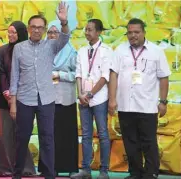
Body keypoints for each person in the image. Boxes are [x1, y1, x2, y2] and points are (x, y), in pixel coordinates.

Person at [9, 2, 70, 179]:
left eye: (40, 28)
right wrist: (13, 103)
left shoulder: (51, 45)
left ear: (44, 30)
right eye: (34, 27)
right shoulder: (19, 48)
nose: (37, 30)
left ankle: (49, 174)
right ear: (28, 28)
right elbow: (14, 77)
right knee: (22, 139)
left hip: (46, 99)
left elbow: (65, 38)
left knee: (47, 139)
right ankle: (17, 173)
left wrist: (64, 22)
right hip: (24, 99)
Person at [109, 18, 171, 179]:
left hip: (147, 105)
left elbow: (164, 77)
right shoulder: (120, 50)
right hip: (125, 105)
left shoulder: (156, 51)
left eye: (136, 32)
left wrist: (163, 102)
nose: (133, 35)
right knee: (130, 141)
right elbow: (113, 75)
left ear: (144, 33)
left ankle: (151, 173)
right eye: (129, 32)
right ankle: (135, 172)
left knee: (148, 141)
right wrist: (112, 100)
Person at [70, 19, 112, 179]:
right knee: (86, 134)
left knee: (103, 134)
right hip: (83, 99)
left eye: (90, 30)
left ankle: (104, 170)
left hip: (99, 98)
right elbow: (78, 74)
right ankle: (86, 169)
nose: (87, 32)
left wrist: (90, 94)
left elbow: (105, 77)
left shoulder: (107, 51)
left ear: (99, 32)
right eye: (86, 29)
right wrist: (80, 94)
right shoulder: (81, 50)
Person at [38, 20, 78, 176]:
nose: (52, 35)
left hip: (66, 98)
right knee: (48, 134)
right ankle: (48, 168)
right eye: (49, 32)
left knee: (66, 134)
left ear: (61, 35)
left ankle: (69, 168)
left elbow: (76, 74)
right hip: (47, 99)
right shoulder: (42, 50)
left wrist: (59, 74)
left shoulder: (71, 52)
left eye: (55, 32)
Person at [0, 21, 36, 177]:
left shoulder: (28, 50)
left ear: (21, 33)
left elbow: (27, 73)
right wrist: (7, 91)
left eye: (14, 32)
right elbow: (2, 72)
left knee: (22, 134)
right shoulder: (3, 50)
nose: (10, 35)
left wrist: (16, 94)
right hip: (4, 98)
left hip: (23, 97)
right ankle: (5, 168)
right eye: (9, 32)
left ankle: (25, 168)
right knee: (5, 134)